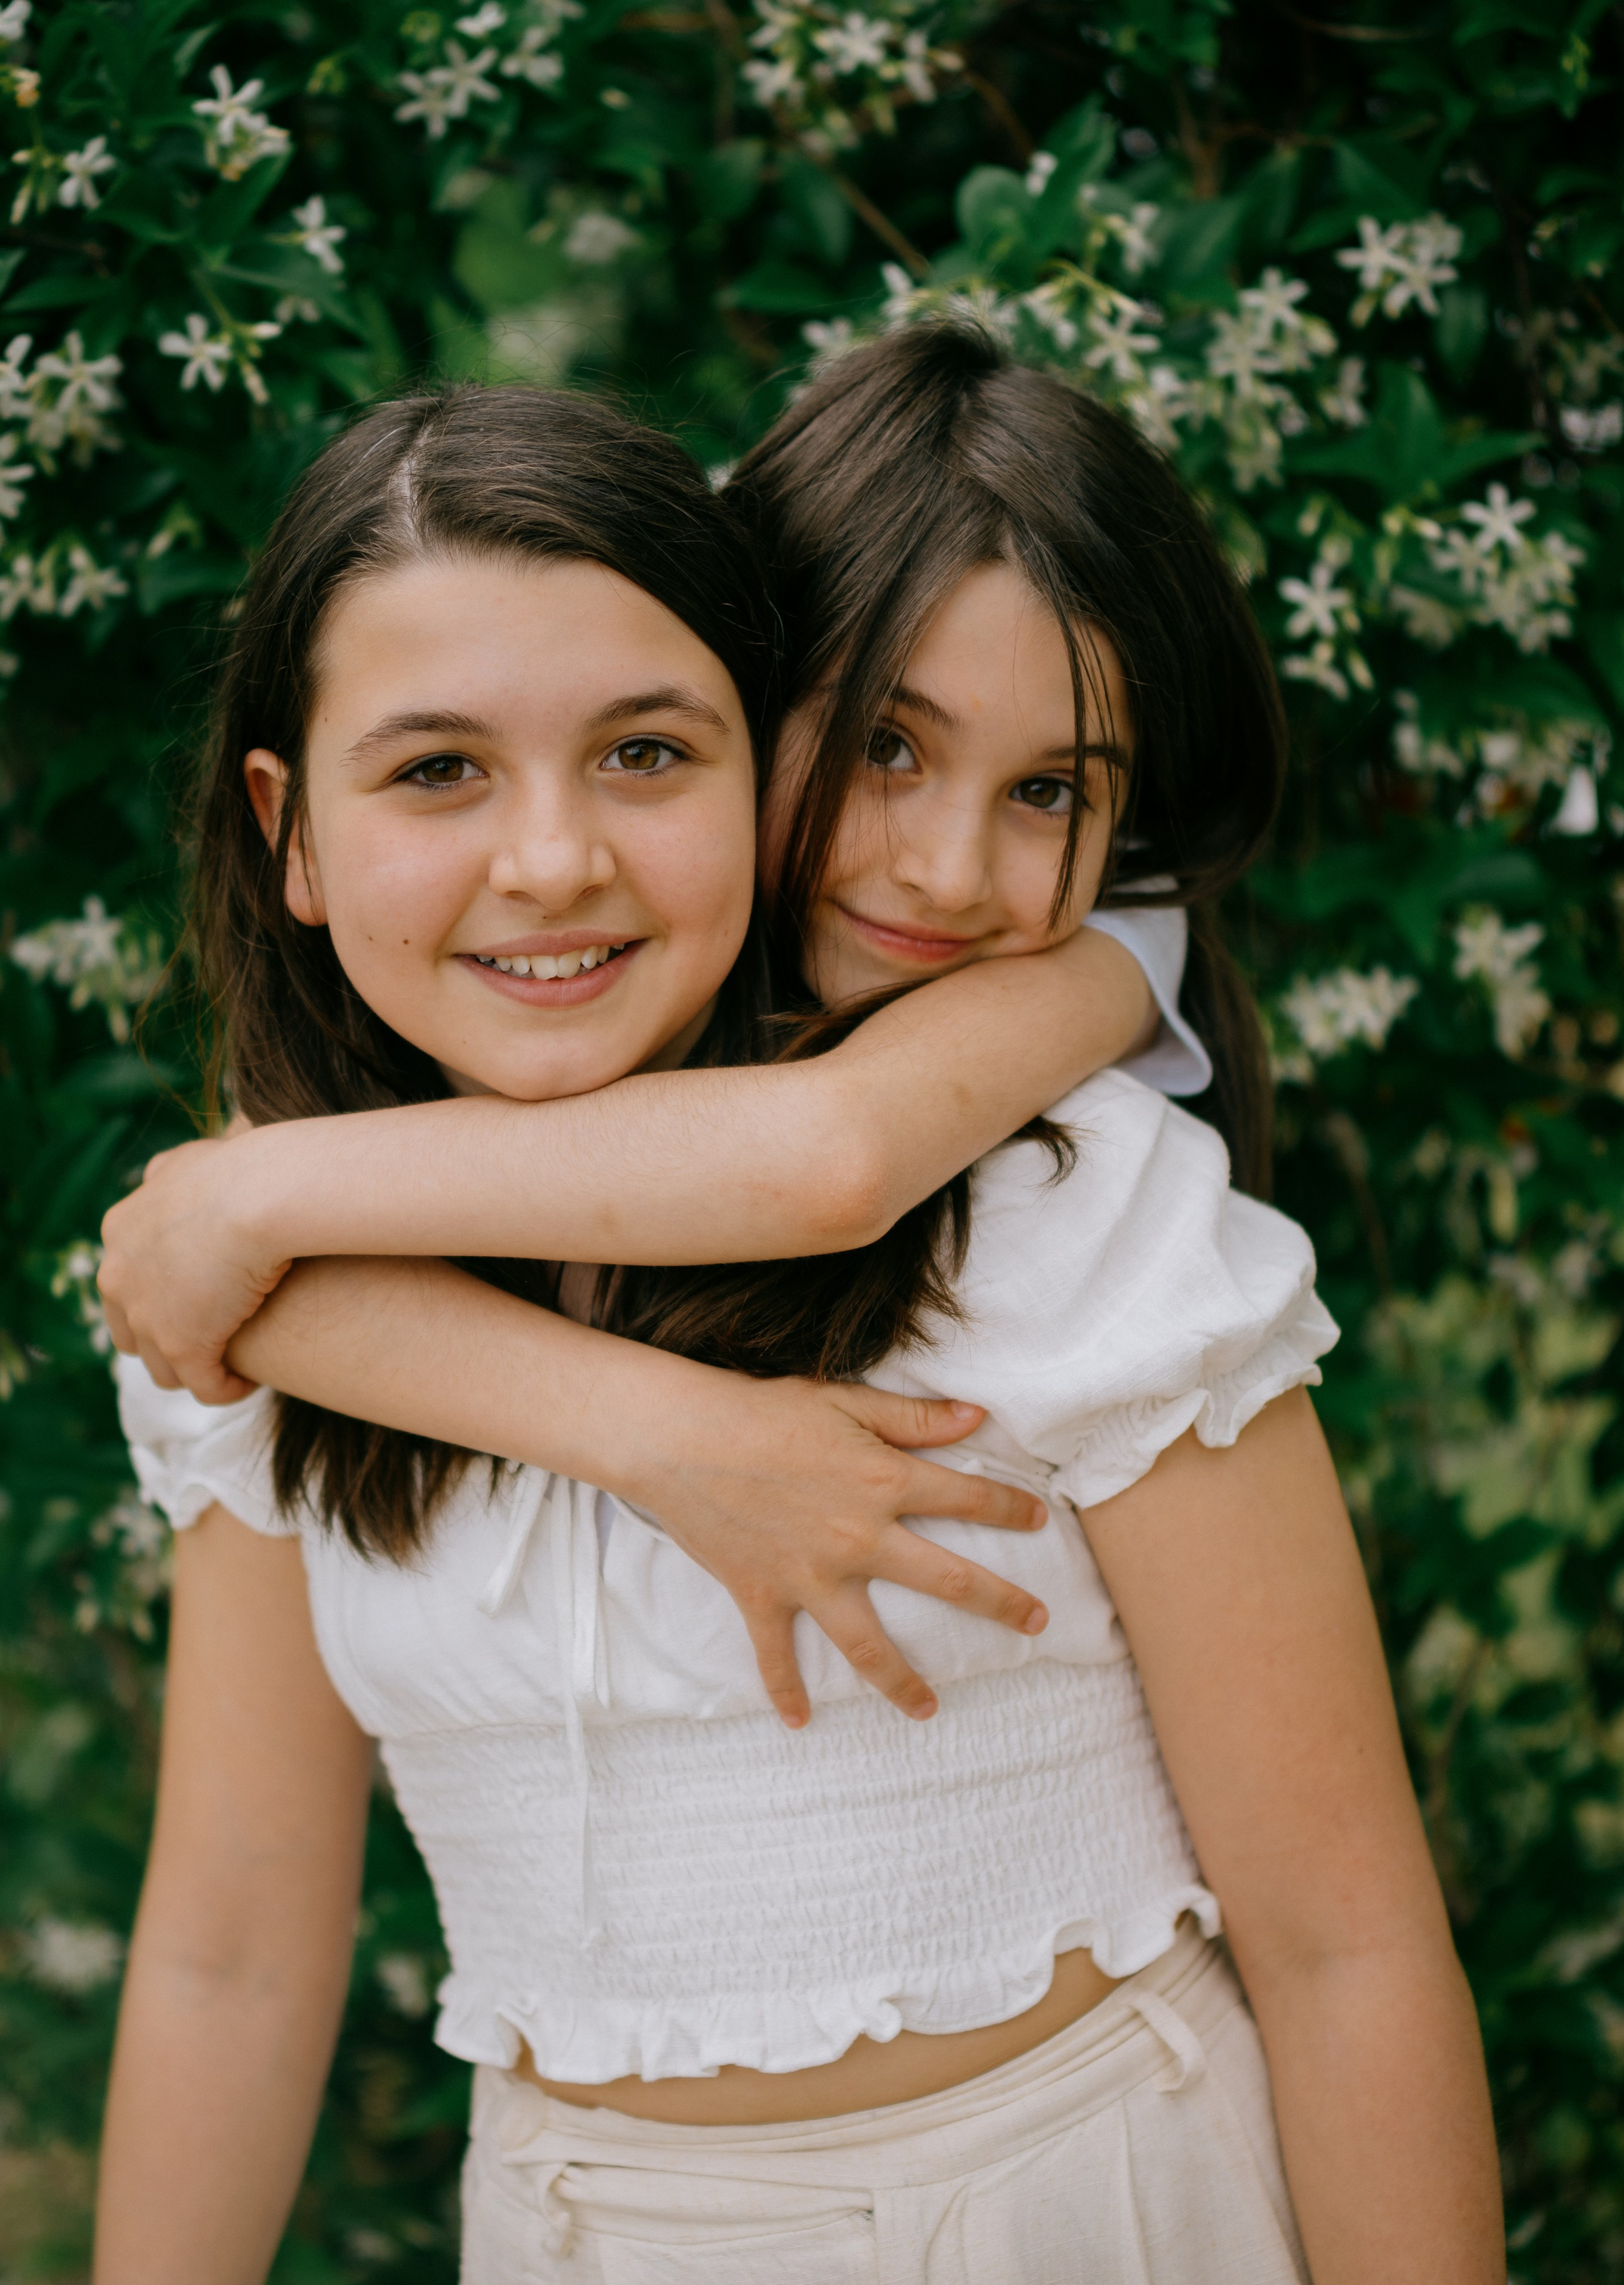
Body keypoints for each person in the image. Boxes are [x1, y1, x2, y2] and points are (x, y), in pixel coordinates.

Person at [96, 345, 1503, 2281]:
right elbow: (230, 1950)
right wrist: (641, 1423)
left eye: (637, 753)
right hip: (579, 2225)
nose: (942, 864)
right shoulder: (259, 1296)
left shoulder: (1069, 1203)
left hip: (1084, 2202)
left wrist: (239, 1196)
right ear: (295, 830)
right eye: (889, 748)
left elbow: (1346, 1939)